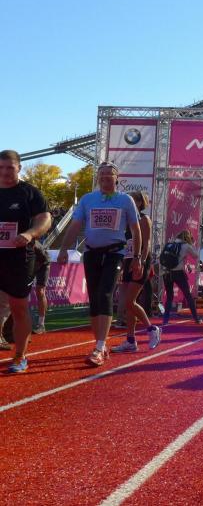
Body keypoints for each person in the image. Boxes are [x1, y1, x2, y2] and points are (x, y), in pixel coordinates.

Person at [58, 161, 141, 368]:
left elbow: (136, 229)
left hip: (114, 253)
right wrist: (63, 249)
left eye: (109, 174)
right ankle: (99, 344)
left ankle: (100, 346)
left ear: (117, 178)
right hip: (91, 253)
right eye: (101, 174)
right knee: (94, 298)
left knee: (105, 294)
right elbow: (75, 225)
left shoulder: (125, 200)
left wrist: (137, 257)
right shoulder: (88, 199)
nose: (104, 177)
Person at [0, 150, 52, 372]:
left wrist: (30, 234)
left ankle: (20, 356)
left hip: (19, 258)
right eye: (1, 168)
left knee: (18, 308)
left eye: (9, 168)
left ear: (19, 168)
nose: (5, 172)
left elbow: (45, 219)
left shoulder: (29, 193)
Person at [111, 191, 161, 353]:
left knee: (129, 301)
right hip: (127, 261)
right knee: (128, 304)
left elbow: (146, 243)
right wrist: (122, 266)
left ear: (139, 203)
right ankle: (130, 340)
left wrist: (141, 261)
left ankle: (152, 329)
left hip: (139, 261)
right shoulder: (126, 220)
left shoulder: (144, 219)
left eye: (132, 200)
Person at [161, 230, 203, 326]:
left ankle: (165, 320)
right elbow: (196, 255)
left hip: (166, 272)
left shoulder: (169, 244)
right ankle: (196, 318)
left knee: (169, 297)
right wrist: (192, 244)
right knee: (188, 295)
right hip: (178, 273)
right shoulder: (186, 246)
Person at [32, 240, 50, 334]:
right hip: (29, 265)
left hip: (43, 264)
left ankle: (41, 324)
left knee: (40, 291)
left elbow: (45, 259)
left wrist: (35, 268)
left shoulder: (33, 244)